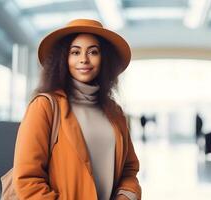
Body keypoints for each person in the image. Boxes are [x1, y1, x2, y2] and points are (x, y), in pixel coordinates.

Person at [13, 19, 141, 200]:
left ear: (104, 59)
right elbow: (27, 179)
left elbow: (129, 170)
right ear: (63, 58)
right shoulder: (45, 106)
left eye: (93, 52)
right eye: (75, 52)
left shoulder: (115, 112)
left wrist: (126, 197)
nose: (84, 59)